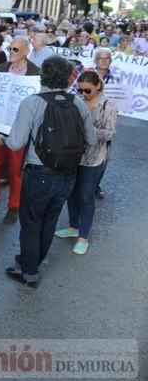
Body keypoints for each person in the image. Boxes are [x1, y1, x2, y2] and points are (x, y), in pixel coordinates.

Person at [2, 56, 96, 287]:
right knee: (49, 220)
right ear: (67, 77)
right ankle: (33, 260)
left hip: (40, 172)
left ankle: (29, 272)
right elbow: (92, 139)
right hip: (68, 173)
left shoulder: (33, 102)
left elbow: (15, 143)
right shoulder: (78, 102)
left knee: (32, 223)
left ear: (43, 75)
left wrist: (1, 138)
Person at [0, 37, 40, 224]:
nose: (11, 52)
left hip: (20, 129)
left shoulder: (35, 73)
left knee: (16, 169)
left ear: (26, 52)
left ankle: (14, 206)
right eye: (10, 48)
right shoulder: (2, 68)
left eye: (15, 49)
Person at [55, 71, 117, 254]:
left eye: (87, 90)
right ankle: (73, 226)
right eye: (81, 90)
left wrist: (85, 131)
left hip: (94, 158)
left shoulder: (108, 106)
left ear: (98, 86)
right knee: (71, 192)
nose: (84, 94)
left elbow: (109, 133)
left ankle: (83, 236)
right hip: (73, 156)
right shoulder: (76, 101)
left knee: (85, 195)